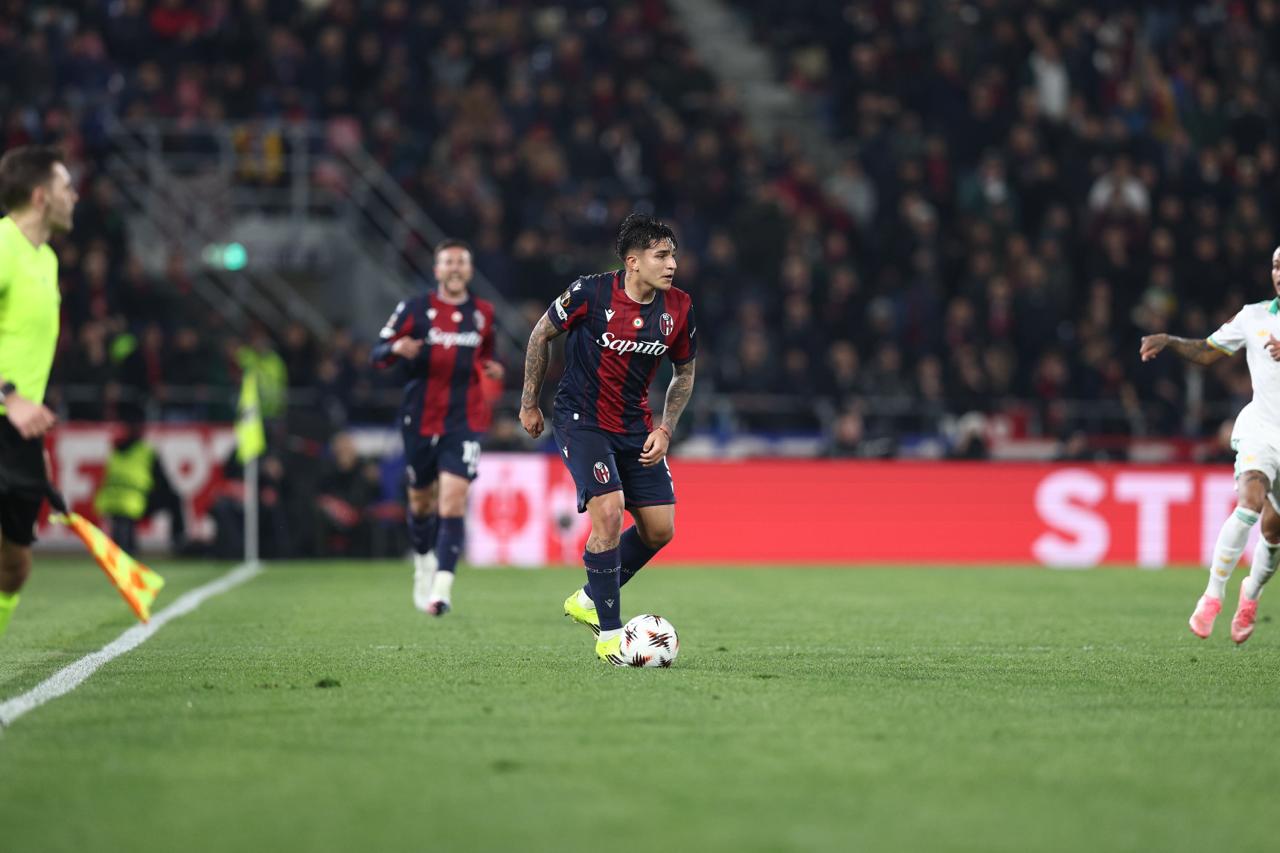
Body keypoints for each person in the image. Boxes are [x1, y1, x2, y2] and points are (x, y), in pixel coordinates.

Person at [519, 213, 697, 665]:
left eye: (673, 255)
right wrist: (529, 403)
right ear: (633, 262)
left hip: (636, 427)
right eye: (662, 255)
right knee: (610, 511)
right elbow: (540, 335)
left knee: (660, 529)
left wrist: (665, 428)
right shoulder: (590, 292)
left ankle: (587, 598)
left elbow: (684, 372)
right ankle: (611, 638)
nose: (672, 264)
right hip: (582, 421)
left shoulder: (679, 308)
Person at [1140, 246, 1280, 643]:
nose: (1279, 273)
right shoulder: (1253, 316)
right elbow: (1207, 351)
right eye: (1275, 266)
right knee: (1249, 502)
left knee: (1273, 534)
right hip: (1261, 429)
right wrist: (1169, 340)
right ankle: (1212, 596)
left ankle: (1250, 593)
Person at [370, 239, 503, 615]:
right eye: (449, 262)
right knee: (421, 502)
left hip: (464, 420)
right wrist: (395, 349)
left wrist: (492, 367)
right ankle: (423, 562)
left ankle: (441, 589)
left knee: (453, 499)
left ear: (470, 270)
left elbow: (488, 353)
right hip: (420, 418)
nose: (455, 268)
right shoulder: (414, 309)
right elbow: (377, 353)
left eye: (461, 261)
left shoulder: (483, 313)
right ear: (437, 270)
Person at [0, 145, 78, 639]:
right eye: (66, 186)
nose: (75, 196)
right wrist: (9, 396)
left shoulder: (46, 260)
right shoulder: (2, 246)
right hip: (5, 407)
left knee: (14, 568)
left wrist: (31, 440)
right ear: (40, 196)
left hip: (17, 435)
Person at [93, 408, 187, 554]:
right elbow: (163, 483)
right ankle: (178, 542)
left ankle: (123, 544)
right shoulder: (146, 451)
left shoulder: (114, 451)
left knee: (124, 542)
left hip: (110, 502)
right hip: (134, 502)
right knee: (174, 499)